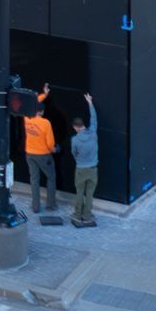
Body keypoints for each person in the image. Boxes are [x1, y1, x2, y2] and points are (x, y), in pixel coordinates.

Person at [22, 83, 57, 212]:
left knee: (34, 180)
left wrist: (44, 95)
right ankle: (50, 205)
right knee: (51, 178)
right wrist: (53, 149)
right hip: (43, 155)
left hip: (29, 154)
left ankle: (35, 207)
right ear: (42, 112)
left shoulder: (27, 118)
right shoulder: (45, 123)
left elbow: (32, 103)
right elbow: (50, 143)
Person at [71, 93, 98, 227]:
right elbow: (94, 118)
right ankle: (87, 216)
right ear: (83, 125)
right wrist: (90, 103)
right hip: (93, 169)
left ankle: (77, 215)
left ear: (76, 127)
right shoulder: (93, 132)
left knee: (80, 193)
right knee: (90, 194)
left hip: (81, 169)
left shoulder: (75, 140)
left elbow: (74, 153)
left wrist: (79, 160)